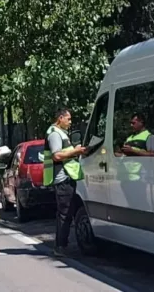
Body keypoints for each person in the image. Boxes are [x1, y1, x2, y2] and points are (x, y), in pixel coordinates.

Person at [43, 108, 86, 257]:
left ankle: (62, 245)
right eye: (68, 119)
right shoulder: (55, 133)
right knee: (65, 213)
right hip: (62, 179)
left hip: (67, 177)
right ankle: (60, 247)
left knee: (67, 213)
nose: (70, 121)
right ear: (60, 118)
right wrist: (76, 151)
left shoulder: (61, 133)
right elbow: (57, 155)